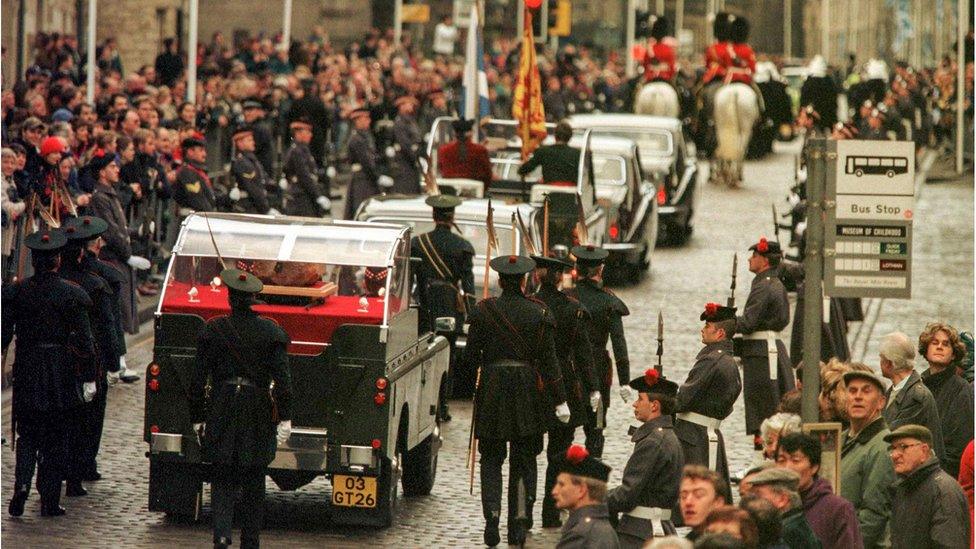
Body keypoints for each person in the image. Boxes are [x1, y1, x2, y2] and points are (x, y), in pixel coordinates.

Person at [465, 254, 570, 547]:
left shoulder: (484, 311)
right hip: (527, 391)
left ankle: (492, 517)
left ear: (499, 280)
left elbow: (470, 357)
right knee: (524, 461)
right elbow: (550, 362)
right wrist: (561, 400)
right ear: (524, 280)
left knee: (491, 458)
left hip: (493, 390)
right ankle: (518, 524)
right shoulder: (539, 312)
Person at [188, 268, 294, 549]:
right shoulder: (271, 332)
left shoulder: (213, 330)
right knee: (254, 477)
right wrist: (285, 417)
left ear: (229, 298)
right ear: (254, 299)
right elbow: (283, 381)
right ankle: (250, 540)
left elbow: (197, 380)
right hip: (256, 407)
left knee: (221, 475)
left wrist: (198, 416)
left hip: (222, 404)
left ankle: (222, 535)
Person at [3, 229, 95, 518]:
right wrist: (89, 376)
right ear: (57, 261)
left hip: (28, 366)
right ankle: (49, 499)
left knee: (28, 433)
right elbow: (85, 341)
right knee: (55, 436)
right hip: (59, 369)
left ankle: (21, 484)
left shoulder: (19, 291)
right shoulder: (72, 293)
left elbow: (5, 332)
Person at [531, 254, 601, 528]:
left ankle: (522, 512)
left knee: (526, 454)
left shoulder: (531, 305)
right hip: (565, 383)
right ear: (560, 277)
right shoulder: (573, 308)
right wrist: (594, 387)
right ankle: (551, 511)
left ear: (537, 276)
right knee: (558, 454)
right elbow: (584, 354)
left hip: (534, 383)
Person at [59, 216, 119, 496]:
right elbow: (108, 324)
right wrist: (113, 359)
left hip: (61, 357)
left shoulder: (62, 277)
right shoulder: (97, 282)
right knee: (89, 416)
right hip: (88, 357)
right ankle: (83, 464)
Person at [410, 194, 475, 420]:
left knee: (421, 356)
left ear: (433, 215)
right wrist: (471, 313)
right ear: (452, 216)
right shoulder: (462, 246)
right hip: (449, 305)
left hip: (424, 305)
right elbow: (468, 284)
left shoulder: (418, 243)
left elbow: (410, 280)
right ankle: (442, 406)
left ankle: (422, 404)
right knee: (447, 359)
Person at [606, 369, 683, 545]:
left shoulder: (653, 442)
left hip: (641, 532)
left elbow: (627, 494)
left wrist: (595, 499)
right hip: (658, 527)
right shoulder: (668, 436)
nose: (635, 404)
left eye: (640, 399)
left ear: (654, 405)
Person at [570, 244, 632, 459]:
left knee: (564, 429)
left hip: (567, 366)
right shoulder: (608, 301)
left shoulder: (567, 296)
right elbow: (619, 343)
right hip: (596, 367)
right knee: (595, 428)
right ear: (600, 270)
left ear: (577, 270)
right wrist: (625, 381)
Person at [674, 303, 742, 489]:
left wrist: (661, 396)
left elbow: (683, 400)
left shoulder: (711, 360)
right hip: (707, 434)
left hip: (692, 438)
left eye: (707, 327)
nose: (702, 330)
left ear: (720, 333)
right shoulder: (728, 361)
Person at [735, 238, 794, 439]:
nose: (750, 259)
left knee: (762, 409)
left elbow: (749, 322)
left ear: (765, 260)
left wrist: (723, 321)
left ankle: (763, 454)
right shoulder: (771, 283)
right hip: (766, 350)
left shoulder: (764, 285)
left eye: (754, 255)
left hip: (762, 354)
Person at [88, 151, 152, 338]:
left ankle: (120, 360)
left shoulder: (110, 194)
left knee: (123, 306)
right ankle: (117, 361)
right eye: (112, 167)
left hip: (118, 256)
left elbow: (120, 227)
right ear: (102, 172)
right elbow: (109, 230)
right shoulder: (100, 197)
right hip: (112, 257)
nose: (117, 169)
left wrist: (137, 232)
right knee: (118, 307)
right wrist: (127, 255)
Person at [885, 425, 970, 549]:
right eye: (893, 448)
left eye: (903, 447)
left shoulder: (943, 490)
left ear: (924, 451)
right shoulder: (904, 488)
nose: (894, 455)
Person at [776, 432, 863, 549]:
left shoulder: (838, 509)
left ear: (814, 467)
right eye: (781, 460)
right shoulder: (771, 505)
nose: (787, 468)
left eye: (795, 460)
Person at [839, 370, 895, 549]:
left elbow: (874, 513)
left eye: (866, 391)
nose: (858, 397)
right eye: (852, 391)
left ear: (880, 403)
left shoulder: (883, 445)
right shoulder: (840, 438)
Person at [879, 332, 945, 463]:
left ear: (889, 363)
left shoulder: (917, 397)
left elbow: (890, 434)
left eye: (882, 358)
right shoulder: (894, 390)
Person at [918, 322, 974, 478]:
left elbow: (960, 443)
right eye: (934, 343)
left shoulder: (961, 389)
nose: (939, 347)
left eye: (946, 344)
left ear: (954, 354)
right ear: (926, 350)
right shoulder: (920, 386)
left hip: (942, 475)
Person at [551, 444, 620, 549]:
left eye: (561, 484)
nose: (554, 491)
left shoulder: (581, 536)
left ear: (581, 490)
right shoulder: (601, 527)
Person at [746, 468, 819, 548]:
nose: (750, 502)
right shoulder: (797, 525)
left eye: (757, 495)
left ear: (782, 500)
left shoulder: (783, 535)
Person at [343, 108, 391, 219]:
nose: (368, 121)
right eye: (365, 119)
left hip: (366, 177)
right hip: (362, 179)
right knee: (362, 211)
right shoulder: (357, 139)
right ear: (357, 121)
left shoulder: (364, 136)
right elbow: (367, 162)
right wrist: (378, 177)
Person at [283, 117, 330, 217]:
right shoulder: (297, 152)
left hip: (305, 194)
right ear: (298, 134)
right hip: (301, 196)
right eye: (307, 132)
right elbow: (304, 176)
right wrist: (317, 195)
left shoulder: (303, 150)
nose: (310, 135)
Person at [517, 121, 580, 186]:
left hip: (549, 192)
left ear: (555, 135)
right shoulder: (577, 154)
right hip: (570, 192)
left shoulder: (543, 151)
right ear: (570, 137)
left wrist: (522, 167)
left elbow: (524, 170)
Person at [678, 465, 730, 543]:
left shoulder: (731, 541)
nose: (688, 502)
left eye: (698, 495)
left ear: (718, 502)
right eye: (683, 496)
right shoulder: (688, 542)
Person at [229, 125, 274, 215]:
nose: (253, 143)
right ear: (240, 143)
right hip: (247, 208)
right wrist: (266, 210)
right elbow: (254, 189)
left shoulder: (251, 160)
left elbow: (264, 179)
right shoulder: (242, 163)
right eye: (249, 140)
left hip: (255, 206)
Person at [436, 118, 492, 190]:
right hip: (475, 191)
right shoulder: (480, 151)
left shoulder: (443, 150)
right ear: (471, 133)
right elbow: (487, 175)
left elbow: (441, 170)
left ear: (454, 133)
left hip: (449, 192)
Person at [173, 137, 218, 215]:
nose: (204, 154)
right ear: (190, 152)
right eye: (201, 150)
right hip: (191, 219)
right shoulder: (186, 173)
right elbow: (197, 199)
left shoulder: (198, 172)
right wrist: (211, 216)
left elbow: (210, 195)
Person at [390, 95, 423, 195]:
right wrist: (415, 157)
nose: (412, 106)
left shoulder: (411, 120)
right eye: (409, 104)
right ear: (401, 106)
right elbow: (404, 143)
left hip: (412, 161)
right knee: (406, 191)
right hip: (405, 162)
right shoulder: (400, 122)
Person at [638, 16, 677, 84]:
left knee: (636, 90)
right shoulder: (669, 50)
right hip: (666, 80)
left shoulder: (650, 49)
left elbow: (645, 65)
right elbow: (672, 70)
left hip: (650, 79)